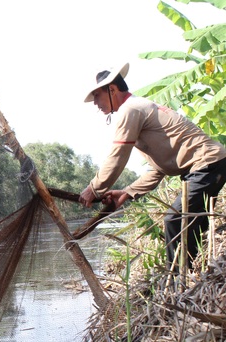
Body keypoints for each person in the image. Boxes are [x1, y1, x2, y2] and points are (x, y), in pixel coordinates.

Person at [79, 62, 226, 271]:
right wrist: (128, 193)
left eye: (96, 96)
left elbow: (117, 157)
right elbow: (159, 169)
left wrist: (93, 189)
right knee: (191, 224)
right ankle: (192, 277)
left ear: (112, 89)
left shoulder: (130, 109)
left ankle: (178, 284)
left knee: (175, 220)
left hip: (207, 165)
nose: (95, 103)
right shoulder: (138, 108)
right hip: (210, 165)